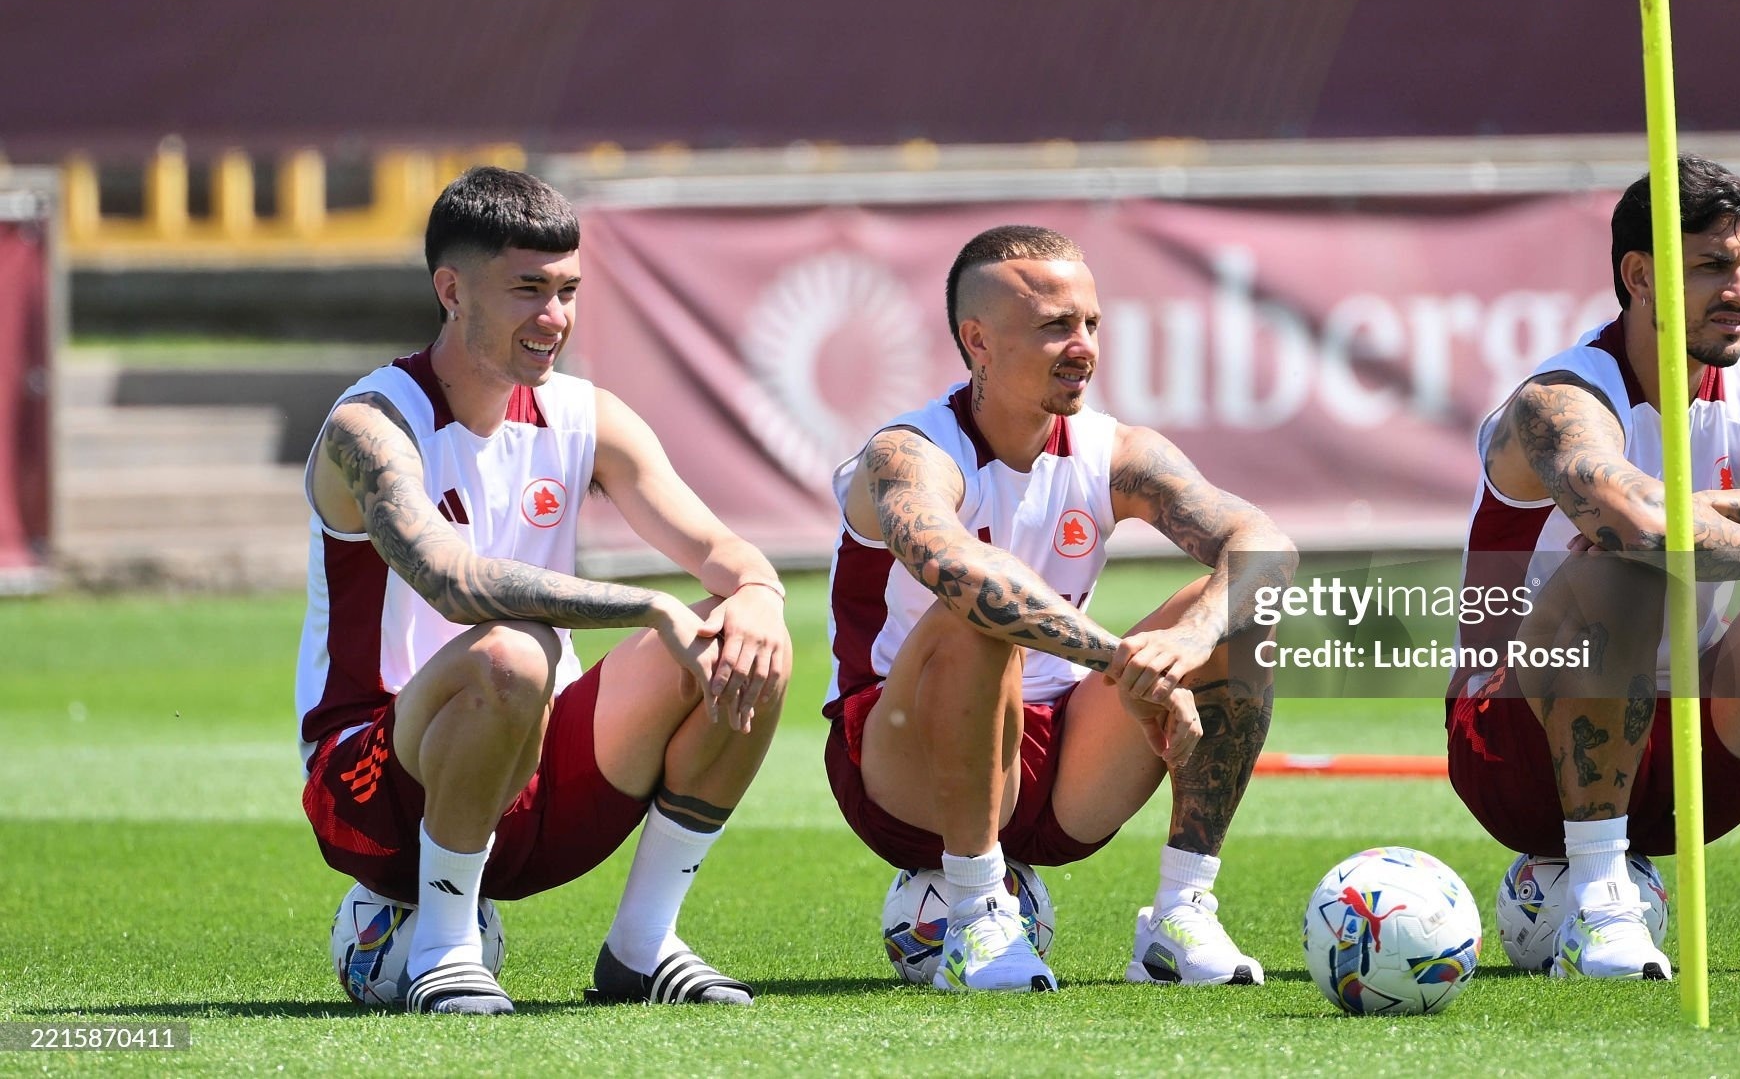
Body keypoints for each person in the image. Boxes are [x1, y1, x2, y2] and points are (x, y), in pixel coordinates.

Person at [297, 166, 793, 1014]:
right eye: (528, 289)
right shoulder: (370, 424)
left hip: (536, 776)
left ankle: (642, 946)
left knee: (747, 638)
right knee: (513, 650)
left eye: (568, 291)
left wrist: (757, 592)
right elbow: (454, 583)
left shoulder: (585, 414)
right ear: (452, 291)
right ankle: (445, 949)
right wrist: (648, 604)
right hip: (374, 792)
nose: (555, 317)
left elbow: (725, 552)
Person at [1449, 155, 1740, 979]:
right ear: (1639, 275)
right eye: (1712, 266)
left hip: (1693, 754)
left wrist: (1704, 511)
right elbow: (1640, 529)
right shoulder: (1559, 400)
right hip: (1515, 754)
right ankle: (1599, 906)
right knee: (1628, 568)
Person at [824, 224, 1297, 991]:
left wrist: (1195, 635)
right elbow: (964, 575)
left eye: (1091, 324)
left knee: (1241, 609)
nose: (1083, 347)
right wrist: (1129, 664)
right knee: (980, 613)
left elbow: (1266, 544)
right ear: (978, 340)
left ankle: (1181, 912)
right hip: (904, 772)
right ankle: (977, 915)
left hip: (1061, 771)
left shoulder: (1115, 450)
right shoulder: (908, 453)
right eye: (1055, 326)